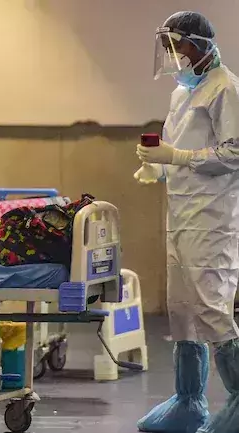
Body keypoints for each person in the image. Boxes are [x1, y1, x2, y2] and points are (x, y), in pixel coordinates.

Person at [135, 11, 239, 433]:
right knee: (182, 310)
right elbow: (178, 148)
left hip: (212, 220)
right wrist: (158, 166)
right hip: (180, 215)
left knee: (212, 309)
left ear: (200, 46)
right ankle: (188, 400)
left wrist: (175, 157)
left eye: (177, 47)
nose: (173, 56)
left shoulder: (226, 89)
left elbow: (234, 153)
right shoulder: (182, 93)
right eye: (167, 48)